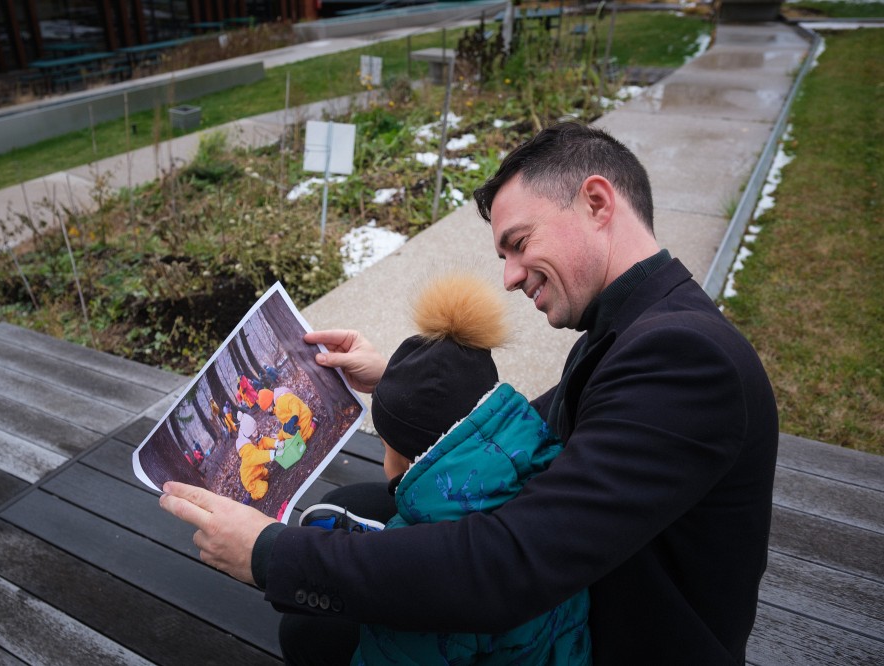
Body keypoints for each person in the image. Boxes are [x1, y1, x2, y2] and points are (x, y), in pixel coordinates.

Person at [160, 122, 779, 665]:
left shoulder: (686, 360)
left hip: (612, 637)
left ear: (596, 202)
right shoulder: (645, 321)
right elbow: (549, 428)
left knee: (316, 628)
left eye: (518, 243)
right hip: (588, 584)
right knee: (360, 500)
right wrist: (393, 378)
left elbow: (510, 565)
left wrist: (271, 554)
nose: (508, 277)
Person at [302, 270, 590, 665]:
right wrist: (398, 383)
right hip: (557, 645)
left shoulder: (428, 558)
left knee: (303, 630)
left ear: (405, 465)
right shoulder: (531, 458)